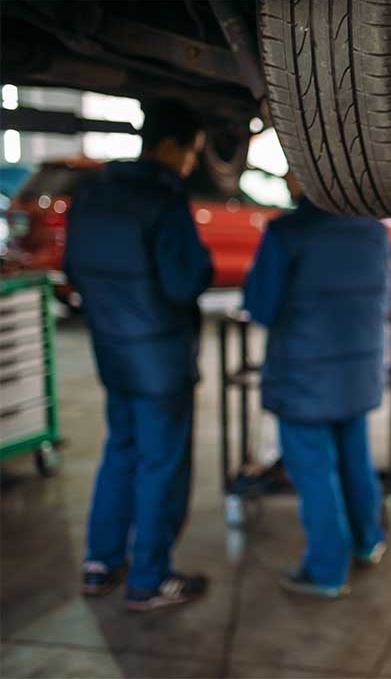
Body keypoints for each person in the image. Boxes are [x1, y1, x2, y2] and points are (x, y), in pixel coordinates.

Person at [65, 98, 213, 611]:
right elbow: (186, 280)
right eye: (191, 153)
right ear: (168, 146)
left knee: (120, 452)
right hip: (162, 361)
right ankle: (149, 579)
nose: (191, 164)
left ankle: (101, 563)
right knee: (161, 465)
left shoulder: (93, 192)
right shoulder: (164, 199)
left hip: (112, 353)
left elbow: (75, 271)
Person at [244, 171, 389, 598]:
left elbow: (261, 306)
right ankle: (368, 542)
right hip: (356, 377)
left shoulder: (288, 233)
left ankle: (326, 570)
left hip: (304, 380)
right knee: (355, 462)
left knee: (315, 475)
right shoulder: (374, 233)